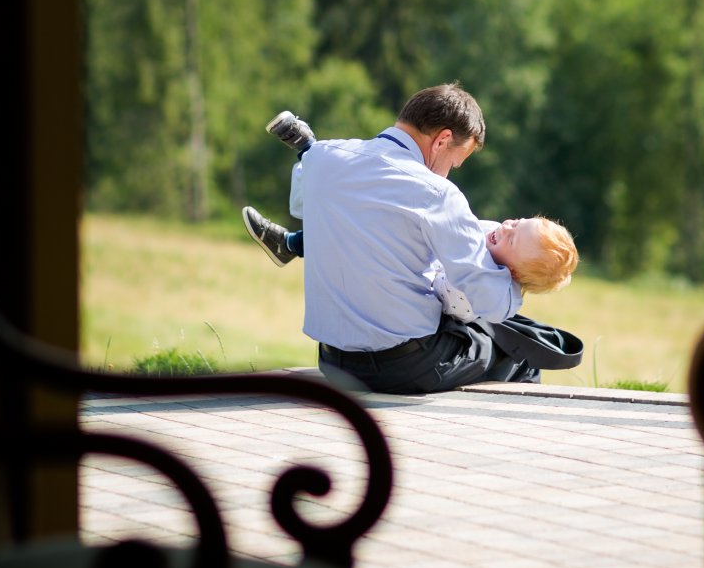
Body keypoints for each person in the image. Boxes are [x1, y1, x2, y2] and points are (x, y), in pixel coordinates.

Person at [242, 83, 582, 394]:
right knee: (521, 353)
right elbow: (491, 302)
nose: (449, 172)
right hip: (404, 368)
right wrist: (514, 283)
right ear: (442, 140)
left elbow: (303, 208)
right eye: (455, 162)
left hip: (333, 363)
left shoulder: (321, 157)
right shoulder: (436, 193)